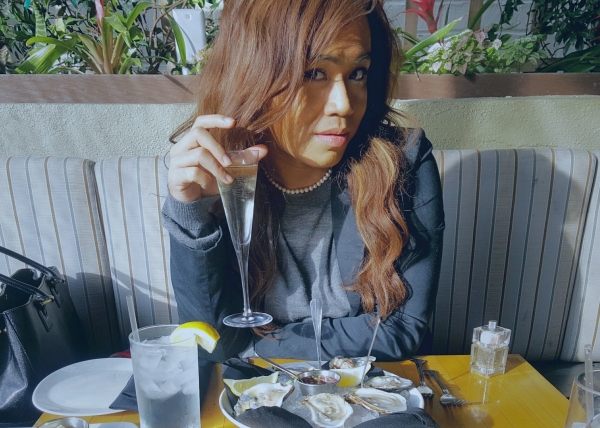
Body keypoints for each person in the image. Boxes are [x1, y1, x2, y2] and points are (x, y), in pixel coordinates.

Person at [162, 0, 444, 368]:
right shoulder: (223, 172)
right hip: (259, 392)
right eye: (314, 73)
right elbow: (212, 341)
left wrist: (260, 347)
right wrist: (191, 214)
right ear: (254, 75)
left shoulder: (400, 163)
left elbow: (401, 329)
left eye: (358, 73)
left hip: (369, 386)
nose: (344, 105)